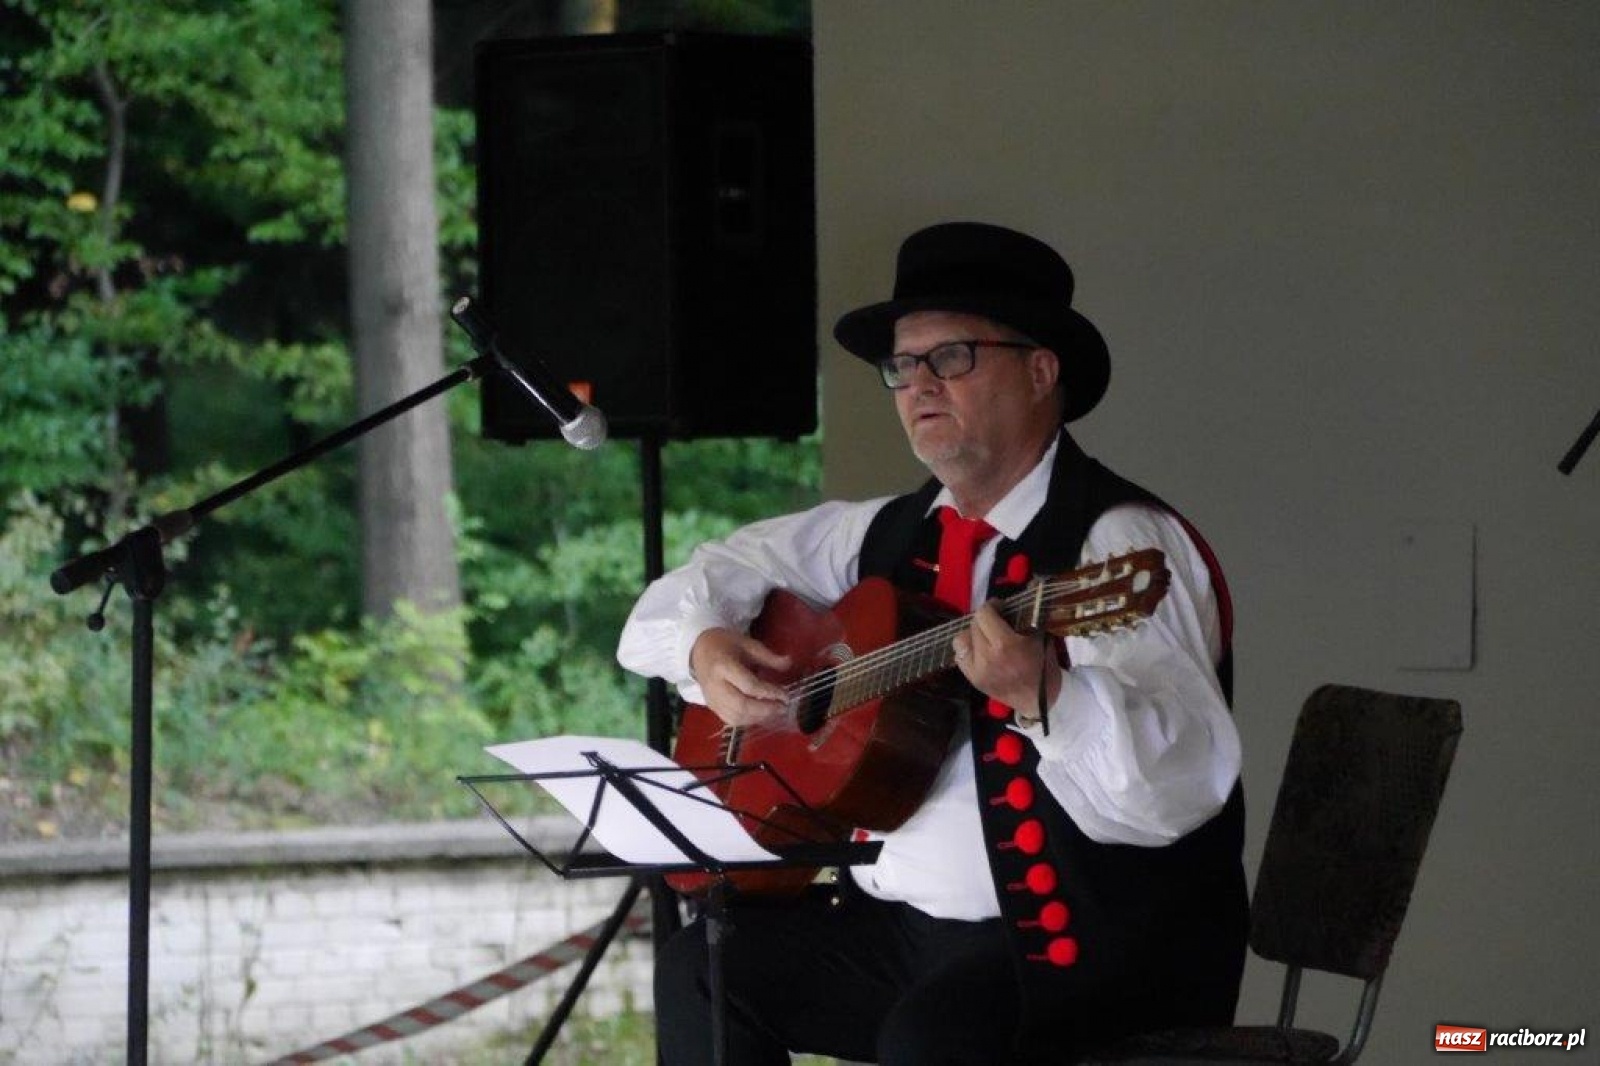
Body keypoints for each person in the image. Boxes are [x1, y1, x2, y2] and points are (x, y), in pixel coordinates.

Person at [617, 221, 1248, 1065]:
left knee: (933, 1040)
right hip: (899, 937)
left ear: (1039, 370)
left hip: (1076, 953)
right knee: (706, 968)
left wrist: (1049, 697)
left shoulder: (1115, 543)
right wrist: (705, 648)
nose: (918, 385)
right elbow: (688, 591)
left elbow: (1179, 789)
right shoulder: (882, 531)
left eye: (950, 357)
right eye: (902, 366)